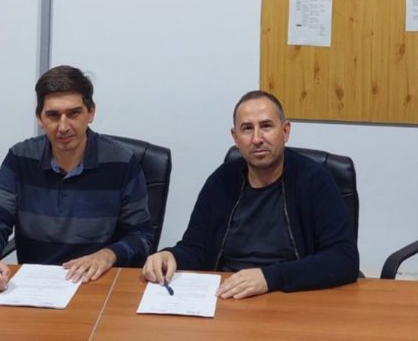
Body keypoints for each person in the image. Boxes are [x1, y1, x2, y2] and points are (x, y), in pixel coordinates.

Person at [142, 90, 358, 299]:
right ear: (235, 137)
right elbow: (196, 248)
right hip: (229, 295)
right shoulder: (221, 181)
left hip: (290, 296)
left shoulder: (314, 180)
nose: (257, 139)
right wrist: (170, 256)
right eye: (247, 129)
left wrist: (269, 278)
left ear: (285, 131)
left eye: (266, 126)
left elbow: (344, 258)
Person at [0, 65, 153, 293]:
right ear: (39, 118)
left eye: (73, 113)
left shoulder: (121, 162)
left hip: (98, 286)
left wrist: (107, 255)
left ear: (91, 113)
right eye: (53, 115)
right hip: (34, 289)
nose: (63, 127)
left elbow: (142, 236)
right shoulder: (20, 158)